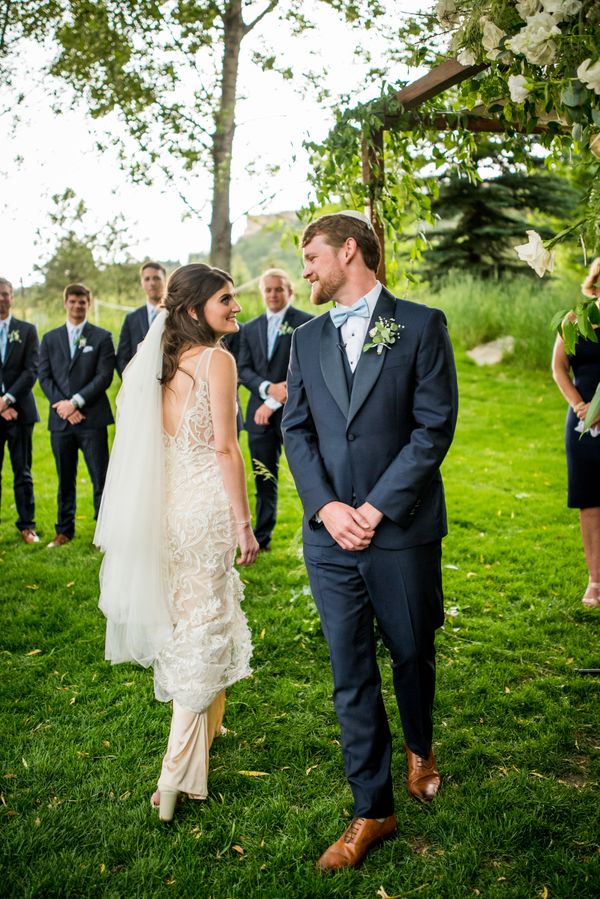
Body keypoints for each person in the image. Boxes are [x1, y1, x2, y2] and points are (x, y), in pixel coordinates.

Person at [282, 211, 458, 871]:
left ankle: (420, 745)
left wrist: (377, 508)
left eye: (312, 257)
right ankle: (373, 808)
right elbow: (296, 429)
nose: (305, 270)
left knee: (411, 651)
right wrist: (327, 507)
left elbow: (433, 427)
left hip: (402, 528)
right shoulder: (305, 337)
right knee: (350, 670)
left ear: (348, 251)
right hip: (330, 537)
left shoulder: (421, 324)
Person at [95, 263, 258, 823]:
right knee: (203, 632)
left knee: (198, 621)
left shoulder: (160, 362)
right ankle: (174, 777)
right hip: (206, 511)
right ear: (193, 310)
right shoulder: (216, 360)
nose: (236, 307)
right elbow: (226, 449)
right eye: (226, 299)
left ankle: (204, 741)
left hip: (167, 511)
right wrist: (243, 523)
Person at [237, 268, 313, 550]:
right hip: (259, 418)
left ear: (289, 291)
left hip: (296, 413)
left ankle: (317, 531)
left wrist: (275, 401)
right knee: (263, 477)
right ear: (262, 293)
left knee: (308, 474)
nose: (273, 294)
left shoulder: (306, 323)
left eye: (278, 289)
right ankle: (262, 538)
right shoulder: (249, 328)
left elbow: (308, 371)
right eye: (268, 289)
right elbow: (243, 369)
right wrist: (268, 390)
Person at [39, 283, 116, 547]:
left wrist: (76, 402)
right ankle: (63, 531)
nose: (77, 306)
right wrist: (64, 406)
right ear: (65, 303)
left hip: (92, 419)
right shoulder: (49, 338)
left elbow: (104, 376)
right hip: (61, 421)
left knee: (100, 478)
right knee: (65, 478)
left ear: (88, 304)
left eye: (82, 302)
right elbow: (44, 376)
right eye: (72, 301)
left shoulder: (102, 337)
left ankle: (105, 533)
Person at [552, 257, 600, 608]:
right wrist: (581, 406)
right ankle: (596, 580)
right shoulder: (574, 319)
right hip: (584, 424)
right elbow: (559, 368)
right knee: (590, 501)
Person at [0, 277, 40, 543]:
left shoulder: (26, 330)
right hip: (3, 410)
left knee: (22, 472)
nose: (1, 298)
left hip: (21, 413)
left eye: (5, 293)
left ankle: (27, 526)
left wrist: (8, 400)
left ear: (12, 297)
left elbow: (31, 370)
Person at [116, 261, 167, 376]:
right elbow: (122, 357)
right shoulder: (131, 319)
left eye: (156, 278)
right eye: (147, 279)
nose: (152, 283)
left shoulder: (176, 314)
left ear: (165, 280)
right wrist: (131, 380)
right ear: (142, 283)